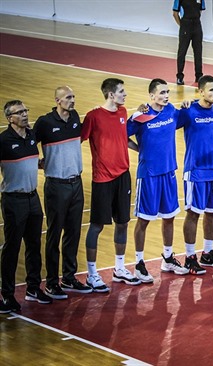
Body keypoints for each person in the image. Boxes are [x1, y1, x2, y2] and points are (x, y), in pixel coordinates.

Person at [127, 79, 189, 283]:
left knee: (169, 217)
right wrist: (139, 149)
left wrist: (187, 106)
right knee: (143, 220)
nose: (166, 95)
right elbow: (122, 135)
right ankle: (139, 263)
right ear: (151, 95)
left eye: (167, 92)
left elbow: (185, 119)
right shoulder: (141, 116)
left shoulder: (171, 111)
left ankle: (168, 258)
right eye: (162, 92)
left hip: (169, 173)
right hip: (149, 175)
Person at [33, 86, 92, 299]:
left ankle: (68, 276)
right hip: (56, 186)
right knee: (54, 233)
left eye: (74, 96)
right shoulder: (45, 122)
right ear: (57, 100)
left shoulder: (75, 117)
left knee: (73, 233)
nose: (72, 100)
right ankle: (51, 282)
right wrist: (36, 162)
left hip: (76, 183)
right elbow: (29, 143)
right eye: (68, 97)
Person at [81, 78, 139, 292]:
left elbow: (124, 139)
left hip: (123, 175)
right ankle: (92, 274)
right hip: (102, 179)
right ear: (111, 95)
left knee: (123, 222)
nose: (125, 95)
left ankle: (120, 268)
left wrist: (143, 150)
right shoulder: (93, 116)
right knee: (96, 225)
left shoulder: (123, 113)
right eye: (122, 92)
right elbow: (77, 140)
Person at [1, 100, 52, 313]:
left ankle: (33, 288)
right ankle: (7, 295)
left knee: (33, 245)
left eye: (25, 111)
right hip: (13, 200)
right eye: (19, 112)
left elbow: (33, 162)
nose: (24, 115)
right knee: (12, 249)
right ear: (9, 118)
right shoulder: (3, 141)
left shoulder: (31, 136)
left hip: (33, 198)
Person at [177, 75, 213, 271]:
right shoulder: (188, 111)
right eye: (212, 90)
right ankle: (190, 257)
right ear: (200, 91)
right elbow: (166, 121)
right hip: (196, 171)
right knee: (193, 214)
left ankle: (207, 253)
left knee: (212, 213)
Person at [173, 0, 205, 85]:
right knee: (182, 52)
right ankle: (179, 76)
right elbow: (175, 13)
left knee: (198, 52)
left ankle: (199, 76)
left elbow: (200, 11)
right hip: (185, 25)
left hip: (197, 26)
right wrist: (182, 25)